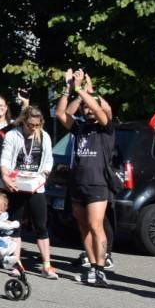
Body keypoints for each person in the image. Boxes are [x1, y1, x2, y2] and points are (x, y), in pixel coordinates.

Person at [55, 69, 114, 286]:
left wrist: (87, 91)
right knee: (83, 227)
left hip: (97, 183)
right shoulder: (80, 128)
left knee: (95, 224)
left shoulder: (106, 129)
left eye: (91, 107)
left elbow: (100, 109)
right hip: (77, 184)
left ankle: (101, 268)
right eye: (85, 108)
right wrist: (70, 90)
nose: (89, 110)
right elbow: (62, 114)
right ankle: (91, 265)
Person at [0, 105, 57, 279]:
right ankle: (17, 264)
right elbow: (5, 159)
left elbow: (48, 161)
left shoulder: (44, 136)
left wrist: (44, 175)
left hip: (35, 185)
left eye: (37, 125)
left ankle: (46, 265)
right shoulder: (12, 135)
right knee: (16, 225)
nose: (33, 128)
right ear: (23, 121)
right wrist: (6, 177)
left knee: (41, 226)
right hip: (16, 184)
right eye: (30, 125)